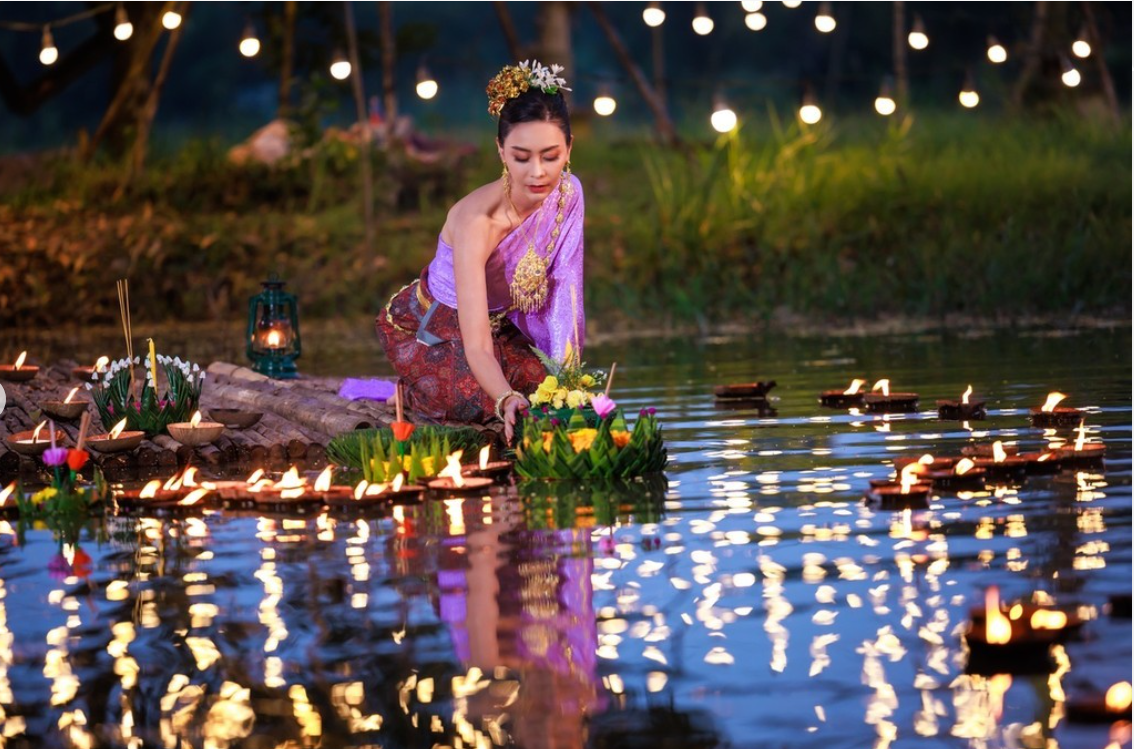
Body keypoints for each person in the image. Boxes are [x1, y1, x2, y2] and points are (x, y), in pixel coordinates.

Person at [376, 61, 584, 443]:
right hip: (435, 323)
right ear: (501, 151)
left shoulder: (568, 193)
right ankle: (414, 387)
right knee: (474, 401)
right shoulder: (478, 222)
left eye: (550, 156)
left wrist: (569, 381)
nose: (537, 173)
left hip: (501, 324)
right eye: (521, 157)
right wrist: (504, 397)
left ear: (569, 149)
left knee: (549, 395)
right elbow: (475, 343)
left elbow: (565, 296)